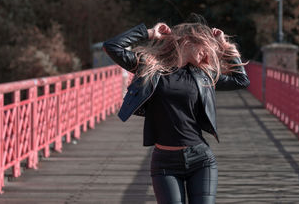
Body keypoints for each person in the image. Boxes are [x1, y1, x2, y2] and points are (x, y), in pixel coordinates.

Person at [102, 16, 250, 204]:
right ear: (188, 42)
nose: (206, 55)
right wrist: (148, 33)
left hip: (201, 160)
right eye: (204, 48)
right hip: (165, 164)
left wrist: (226, 45)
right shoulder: (150, 68)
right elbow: (111, 46)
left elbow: (241, 80)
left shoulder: (204, 75)